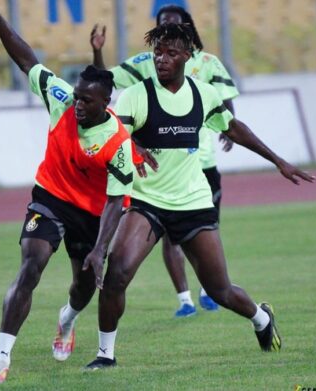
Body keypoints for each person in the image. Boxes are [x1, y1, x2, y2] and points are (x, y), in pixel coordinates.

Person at [84, 23, 315, 370]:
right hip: (147, 203)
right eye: (157, 53)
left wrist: (278, 161)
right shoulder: (136, 95)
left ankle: (260, 318)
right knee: (116, 274)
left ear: (187, 57)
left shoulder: (203, 94)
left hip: (193, 203)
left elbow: (233, 128)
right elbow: (115, 131)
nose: (162, 59)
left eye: (171, 53)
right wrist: (134, 145)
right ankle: (105, 355)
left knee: (220, 290)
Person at [0, 0, 137, 383]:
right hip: (49, 196)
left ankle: (67, 319)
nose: (76, 104)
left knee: (82, 287)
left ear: (105, 104)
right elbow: (26, 58)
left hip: (92, 214)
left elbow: (116, 201)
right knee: (31, 265)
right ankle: (1, 358)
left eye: (86, 101)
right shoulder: (61, 99)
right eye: (76, 96)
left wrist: (99, 248)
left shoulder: (117, 142)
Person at [90, 4, 238, 317]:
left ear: (187, 29)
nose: (163, 57)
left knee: (202, 237)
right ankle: (185, 298)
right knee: (170, 237)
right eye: (162, 24)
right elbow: (106, 82)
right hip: (155, 171)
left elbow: (225, 102)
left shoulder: (207, 63)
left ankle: (209, 289)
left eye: (174, 23)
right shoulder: (147, 64)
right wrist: (98, 53)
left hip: (201, 165)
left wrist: (229, 128)